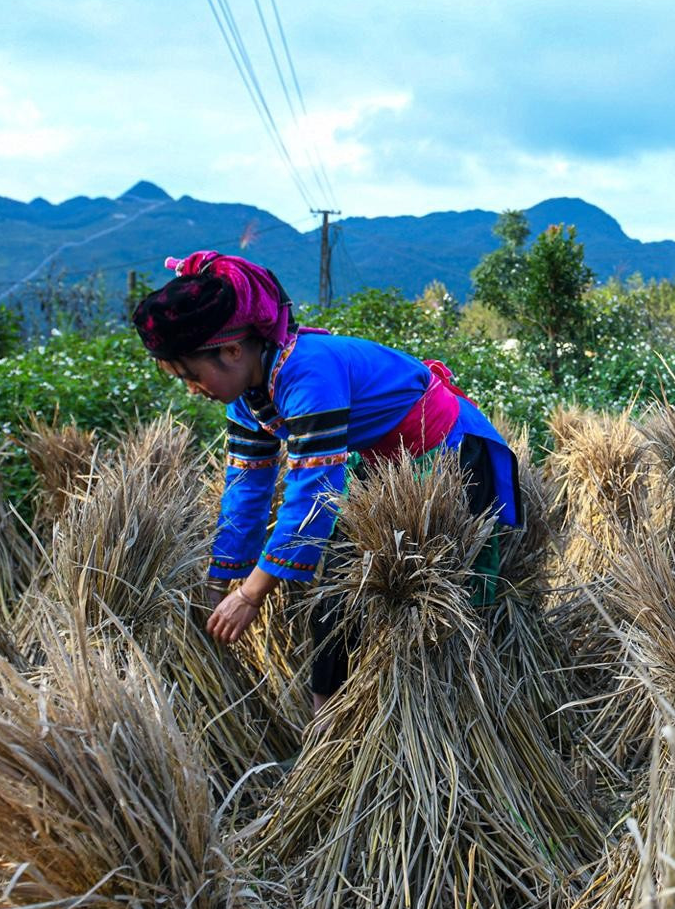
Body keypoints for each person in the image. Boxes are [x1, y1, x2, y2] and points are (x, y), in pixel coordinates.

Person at [130, 250, 519, 710]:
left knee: (445, 606)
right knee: (335, 591)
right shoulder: (248, 396)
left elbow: (313, 492)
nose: (194, 389)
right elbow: (245, 490)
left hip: (447, 458)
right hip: (386, 465)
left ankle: (458, 709)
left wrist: (252, 595)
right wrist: (219, 583)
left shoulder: (307, 374)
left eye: (192, 376)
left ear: (232, 351)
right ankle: (327, 725)